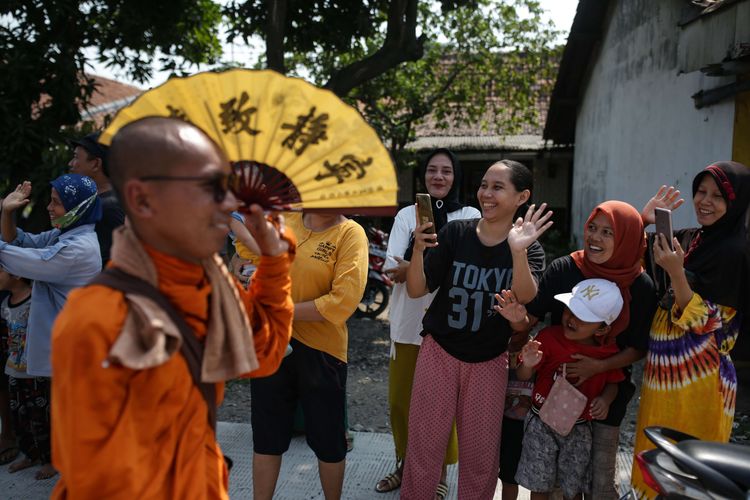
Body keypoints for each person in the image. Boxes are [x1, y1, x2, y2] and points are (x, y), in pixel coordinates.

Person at [50, 117, 295, 499]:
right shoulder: (97, 314)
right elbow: (91, 469)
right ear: (143, 200)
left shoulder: (208, 280)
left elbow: (266, 354)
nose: (228, 205)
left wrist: (276, 264)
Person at [401, 160, 552, 499]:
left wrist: (517, 250)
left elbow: (526, 296)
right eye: (484, 185)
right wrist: (418, 249)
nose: (486, 193)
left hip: (488, 361)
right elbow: (415, 289)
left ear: (521, 196)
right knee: (424, 449)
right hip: (439, 352)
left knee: (481, 460)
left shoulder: (530, 248)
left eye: (498, 187)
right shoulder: (456, 233)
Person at [508, 200, 657, 499]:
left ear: (625, 240)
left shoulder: (641, 285)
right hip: (550, 400)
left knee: (597, 482)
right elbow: (530, 319)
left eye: (607, 232)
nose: (595, 238)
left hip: (602, 398)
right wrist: (516, 324)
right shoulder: (566, 268)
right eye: (592, 228)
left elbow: (639, 347)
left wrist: (598, 367)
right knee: (547, 484)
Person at [631, 161, 750, 499]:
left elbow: (709, 322)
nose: (705, 201)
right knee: (658, 461)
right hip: (664, 377)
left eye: (717, 196)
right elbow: (633, 257)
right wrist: (642, 221)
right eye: (701, 191)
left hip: (700, 383)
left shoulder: (735, 252)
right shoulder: (692, 239)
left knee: (691, 476)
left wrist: (677, 273)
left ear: (737, 202)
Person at [375, 149, 480, 495]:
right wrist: (427, 268)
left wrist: (418, 266)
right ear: (422, 177)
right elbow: (394, 269)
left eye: (446, 171)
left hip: (451, 327)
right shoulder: (407, 215)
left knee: (444, 405)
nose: (439, 177)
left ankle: (438, 474)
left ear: (456, 177)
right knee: (401, 400)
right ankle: (404, 465)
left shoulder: (470, 215)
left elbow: (468, 270)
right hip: (407, 324)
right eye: (432, 170)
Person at [250, 211, 368, 500]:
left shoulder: (350, 234)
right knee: (266, 436)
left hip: (322, 353)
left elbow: (342, 302)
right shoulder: (283, 220)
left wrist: (282, 310)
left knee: (328, 440)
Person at [0, 173, 104, 480]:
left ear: (78, 206)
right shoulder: (64, 235)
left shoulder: (76, 248)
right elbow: (16, 242)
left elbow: (17, 259)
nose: (49, 207)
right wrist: (7, 212)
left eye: (56, 203)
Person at [497, 279, 626, 500]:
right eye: (570, 310)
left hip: (580, 429)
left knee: (573, 486)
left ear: (603, 327)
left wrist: (605, 400)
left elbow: (613, 382)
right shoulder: (548, 338)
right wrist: (527, 362)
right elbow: (523, 376)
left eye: (583, 317)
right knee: (539, 485)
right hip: (540, 424)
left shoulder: (606, 353)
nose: (572, 319)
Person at [0, 271, 45, 478]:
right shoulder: (5, 304)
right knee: (20, 416)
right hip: (13, 369)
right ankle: (31, 454)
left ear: (16, 274)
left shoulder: (36, 299)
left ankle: (51, 459)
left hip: (35, 371)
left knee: (41, 416)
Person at [68, 132, 126, 265]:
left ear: (95, 164)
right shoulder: (102, 202)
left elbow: (105, 261)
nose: (70, 163)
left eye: (76, 157)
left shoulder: (108, 207)